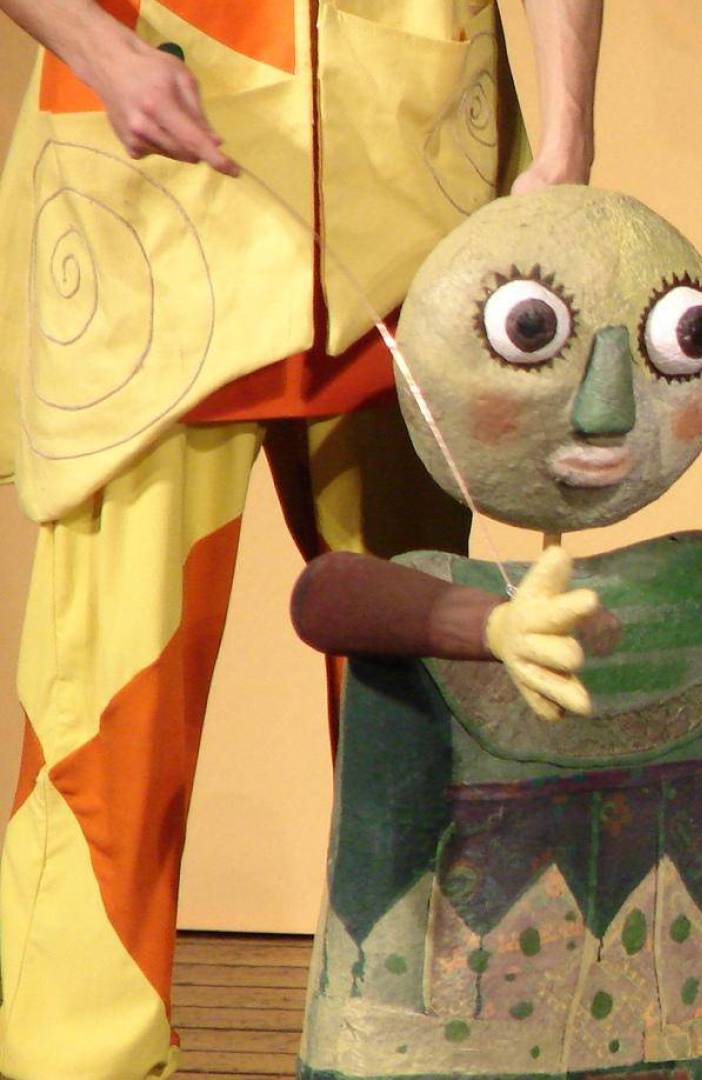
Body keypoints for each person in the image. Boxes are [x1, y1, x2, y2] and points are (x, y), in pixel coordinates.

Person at [0, 1, 601, 1076]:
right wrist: (100, 50)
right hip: (151, 219)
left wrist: (567, 138)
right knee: (113, 713)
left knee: (431, 684)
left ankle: (428, 1041)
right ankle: (78, 1060)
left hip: (412, 200)